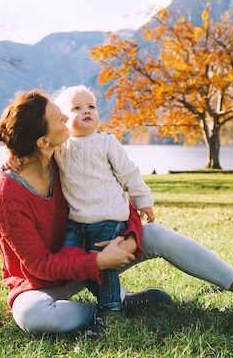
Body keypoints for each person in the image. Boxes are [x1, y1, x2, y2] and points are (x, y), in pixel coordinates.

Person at [0, 89, 233, 336]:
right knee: (33, 316)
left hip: (97, 249)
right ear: (44, 140)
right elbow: (39, 266)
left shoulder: (66, 156)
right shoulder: (7, 193)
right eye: (60, 118)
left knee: (157, 234)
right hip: (41, 283)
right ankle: (117, 306)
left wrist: (132, 235)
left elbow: (118, 195)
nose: (70, 119)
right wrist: (97, 261)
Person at [53, 85, 155, 314]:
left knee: (105, 262)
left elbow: (128, 173)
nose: (86, 111)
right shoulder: (60, 147)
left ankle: (111, 310)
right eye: (77, 108)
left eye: (91, 106)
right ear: (62, 119)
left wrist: (143, 201)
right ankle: (118, 297)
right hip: (77, 220)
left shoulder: (106, 142)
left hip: (108, 216)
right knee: (73, 261)